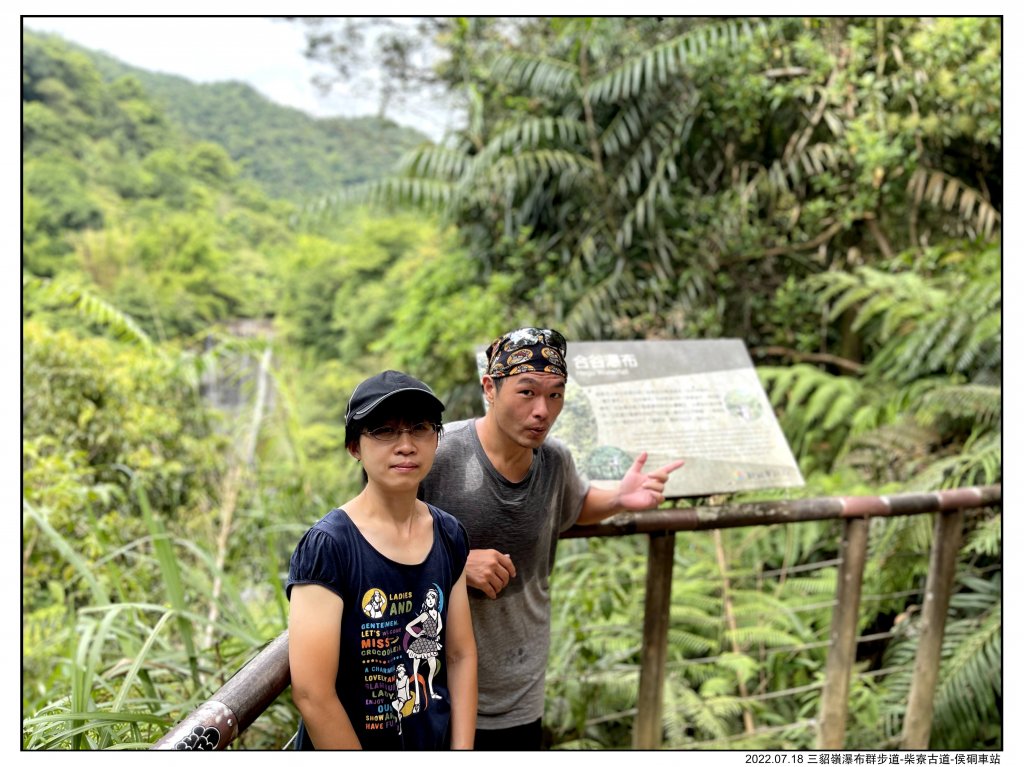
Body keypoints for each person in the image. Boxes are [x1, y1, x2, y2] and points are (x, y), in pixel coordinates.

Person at [418, 327, 685, 750]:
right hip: (433, 685)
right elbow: (376, 537)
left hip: (521, 684)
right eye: (527, 393)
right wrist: (451, 564)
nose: (542, 410)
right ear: (490, 387)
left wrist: (619, 496)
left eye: (555, 395)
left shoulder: (554, 460)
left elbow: (571, 507)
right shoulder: (437, 455)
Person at [287, 370, 477, 750]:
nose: (405, 445)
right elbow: (312, 693)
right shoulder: (330, 545)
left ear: (436, 439)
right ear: (354, 446)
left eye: (420, 428)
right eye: (384, 431)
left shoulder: (448, 534)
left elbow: (460, 654)